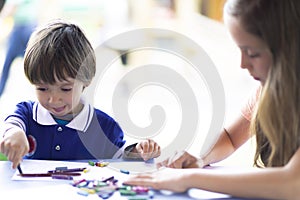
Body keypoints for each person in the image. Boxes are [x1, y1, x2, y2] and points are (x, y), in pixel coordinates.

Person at [124, 0, 300, 199]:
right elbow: (230, 138)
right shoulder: (266, 92)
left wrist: (190, 178)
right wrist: (200, 159)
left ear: (289, 49)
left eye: (252, 53)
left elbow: (292, 184)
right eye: (240, 50)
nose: (243, 64)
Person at [0, 20, 161, 169]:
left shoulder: (104, 127)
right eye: (42, 88)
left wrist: (140, 153)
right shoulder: (26, 114)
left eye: (65, 89)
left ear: (86, 80)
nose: (53, 99)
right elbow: (12, 125)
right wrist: (14, 133)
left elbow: (121, 162)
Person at [0, 0, 38, 97]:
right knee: (35, 62)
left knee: (8, 64)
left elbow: (12, 7)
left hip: (21, 29)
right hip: (31, 25)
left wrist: (3, 17)